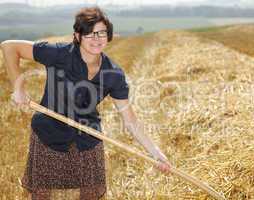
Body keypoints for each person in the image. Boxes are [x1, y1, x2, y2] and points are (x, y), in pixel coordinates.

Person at [0, 6, 171, 200]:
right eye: (89, 33)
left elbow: (130, 120)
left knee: (90, 195)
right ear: (77, 35)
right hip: (49, 136)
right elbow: (9, 46)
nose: (96, 38)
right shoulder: (59, 54)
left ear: (108, 36)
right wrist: (18, 88)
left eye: (101, 33)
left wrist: (155, 153)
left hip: (87, 139)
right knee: (42, 196)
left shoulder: (114, 74)